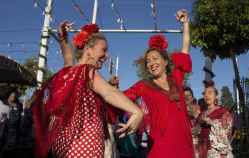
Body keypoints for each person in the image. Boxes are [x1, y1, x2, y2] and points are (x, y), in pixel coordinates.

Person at [32, 23, 143, 158]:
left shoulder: (68, 73)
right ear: (88, 50)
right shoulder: (87, 72)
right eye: (104, 50)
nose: (107, 55)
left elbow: (68, 58)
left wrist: (63, 38)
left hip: (63, 145)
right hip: (84, 145)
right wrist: (136, 111)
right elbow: (108, 92)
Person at [120, 9, 194, 158]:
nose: (151, 63)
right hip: (160, 148)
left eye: (154, 59)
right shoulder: (144, 85)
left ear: (165, 61)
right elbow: (120, 97)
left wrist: (185, 23)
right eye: (148, 61)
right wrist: (136, 112)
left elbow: (185, 49)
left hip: (185, 146)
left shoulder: (176, 78)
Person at [197, 81, 233, 158]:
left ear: (216, 96)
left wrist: (212, 123)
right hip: (202, 151)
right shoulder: (201, 114)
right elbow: (197, 132)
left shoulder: (223, 111)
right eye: (204, 93)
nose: (206, 95)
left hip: (216, 152)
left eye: (210, 93)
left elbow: (228, 132)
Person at [0, 89, 34, 158]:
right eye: (11, 96)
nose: (12, 97)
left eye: (14, 96)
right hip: (6, 134)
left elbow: (19, 122)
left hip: (13, 138)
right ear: (8, 96)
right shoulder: (4, 104)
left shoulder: (18, 106)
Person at [183, 86, 201, 158]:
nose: (186, 97)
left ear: (193, 98)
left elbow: (203, 126)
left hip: (197, 146)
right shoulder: (178, 111)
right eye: (184, 95)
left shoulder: (198, 109)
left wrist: (198, 127)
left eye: (189, 95)